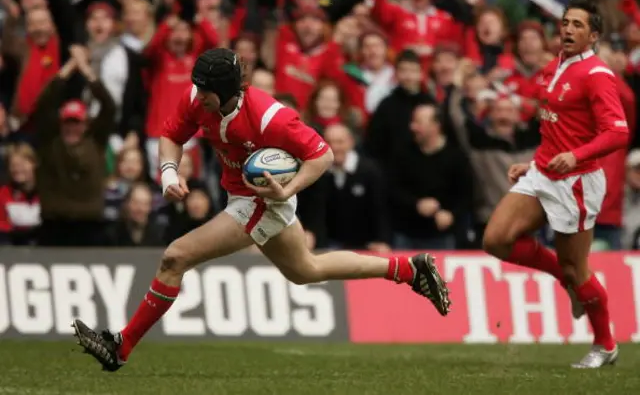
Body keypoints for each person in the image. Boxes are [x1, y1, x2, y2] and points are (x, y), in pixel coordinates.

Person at [72, 47, 451, 372]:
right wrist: (169, 171)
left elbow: (322, 156)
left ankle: (121, 347)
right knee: (307, 270)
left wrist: (287, 190)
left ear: (223, 92)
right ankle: (408, 269)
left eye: (205, 92)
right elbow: (171, 136)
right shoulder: (198, 99)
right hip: (241, 194)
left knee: (175, 257)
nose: (197, 96)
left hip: (262, 201)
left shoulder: (272, 116)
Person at [482, 0, 629, 368]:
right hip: (543, 172)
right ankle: (564, 282)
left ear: (593, 36)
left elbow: (617, 133)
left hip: (576, 182)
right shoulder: (552, 68)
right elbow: (558, 129)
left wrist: (576, 156)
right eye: (565, 22)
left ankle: (605, 344)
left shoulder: (597, 75)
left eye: (578, 25)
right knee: (495, 239)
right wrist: (532, 161)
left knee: (576, 268)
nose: (568, 29)